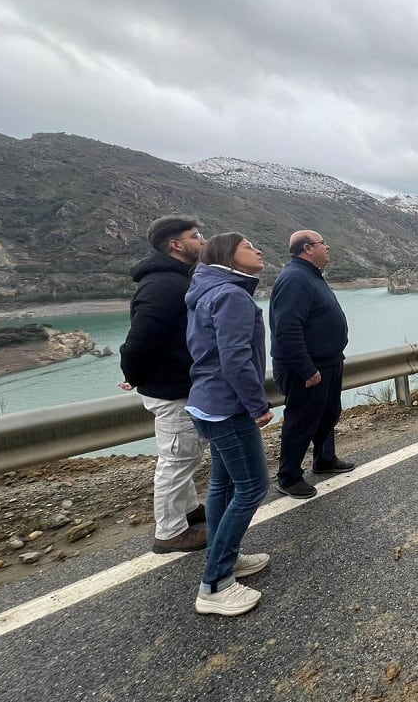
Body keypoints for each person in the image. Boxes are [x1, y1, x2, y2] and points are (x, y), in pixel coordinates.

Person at [185, 233, 273, 616]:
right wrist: (258, 405)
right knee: (253, 486)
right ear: (229, 258)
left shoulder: (207, 290)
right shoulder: (232, 295)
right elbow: (235, 359)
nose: (257, 250)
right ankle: (216, 584)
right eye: (247, 246)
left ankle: (228, 556)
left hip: (207, 401)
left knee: (223, 484)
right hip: (229, 405)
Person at [119, 215, 208, 554]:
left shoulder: (176, 280)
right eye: (195, 236)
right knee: (176, 458)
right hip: (171, 390)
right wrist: (135, 375)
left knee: (187, 453)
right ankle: (170, 533)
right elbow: (140, 342)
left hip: (179, 385)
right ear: (176, 245)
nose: (202, 240)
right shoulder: (163, 286)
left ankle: (187, 510)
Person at [270, 230, 355, 499]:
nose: (327, 247)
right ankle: (289, 477)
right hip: (308, 366)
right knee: (302, 420)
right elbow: (287, 328)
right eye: (323, 243)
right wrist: (306, 368)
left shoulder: (310, 275)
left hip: (328, 361)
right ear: (308, 248)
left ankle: (324, 459)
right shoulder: (295, 278)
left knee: (328, 413)